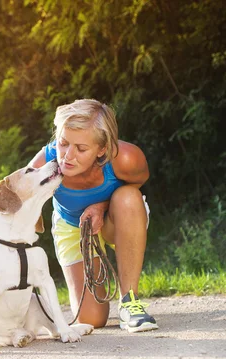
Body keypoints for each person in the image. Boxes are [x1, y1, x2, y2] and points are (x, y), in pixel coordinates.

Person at [27, 99, 158, 333]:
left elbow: (139, 182)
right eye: (63, 143)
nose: (67, 156)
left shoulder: (126, 158)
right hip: (72, 226)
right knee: (91, 320)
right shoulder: (44, 163)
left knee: (128, 197)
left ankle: (130, 301)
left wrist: (101, 206)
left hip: (114, 220)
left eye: (81, 148)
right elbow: (20, 204)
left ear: (102, 149)